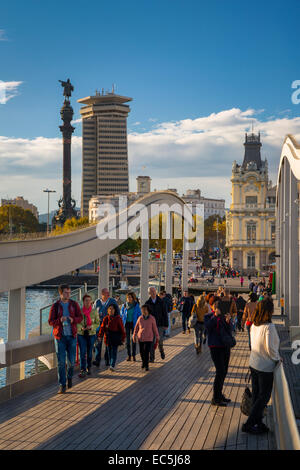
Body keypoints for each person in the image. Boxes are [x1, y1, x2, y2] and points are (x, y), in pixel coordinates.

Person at [242, 299, 280, 434]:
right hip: (265, 367)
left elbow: (253, 345)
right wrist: (277, 359)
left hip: (254, 363)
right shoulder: (269, 327)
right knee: (263, 397)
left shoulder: (254, 325)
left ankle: (258, 423)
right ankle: (249, 424)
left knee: (257, 395)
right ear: (269, 311)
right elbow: (270, 348)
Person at [48, 284, 83, 393]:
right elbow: (50, 321)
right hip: (60, 337)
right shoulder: (55, 306)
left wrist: (74, 320)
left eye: (69, 292)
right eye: (66, 292)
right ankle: (62, 385)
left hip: (72, 336)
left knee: (72, 362)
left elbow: (80, 318)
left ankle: (69, 377)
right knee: (61, 362)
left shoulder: (74, 304)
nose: (68, 294)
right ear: (61, 293)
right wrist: (60, 320)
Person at [204, 297, 232, 406]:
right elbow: (208, 328)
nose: (216, 306)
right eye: (214, 304)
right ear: (211, 306)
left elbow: (230, 330)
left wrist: (228, 321)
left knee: (224, 371)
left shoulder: (224, 316)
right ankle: (215, 398)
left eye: (218, 304)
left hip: (225, 346)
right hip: (215, 346)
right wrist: (215, 316)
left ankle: (219, 394)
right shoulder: (208, 316)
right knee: (220, 371)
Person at [93, 288, 120, 367]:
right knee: (98, 342)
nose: (108, 294)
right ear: (102, 294)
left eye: (108, 293)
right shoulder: (97, 302)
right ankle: (97, 360)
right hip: (99, 324)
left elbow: (117, 312)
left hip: (109, 324)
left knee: (108, 343)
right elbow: (93, 313)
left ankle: (107, 360)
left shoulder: (112, 301)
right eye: (106, 293)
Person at [98, 304, 125, 371]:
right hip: (107, 338)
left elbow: (122, 329)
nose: (111, 310)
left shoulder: (118, 318)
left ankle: (112, 365)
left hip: (115, 337)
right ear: (107, 310)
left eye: (112, 309)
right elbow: (102, 328)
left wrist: (123, 338)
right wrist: (100, 336)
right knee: (109, 351)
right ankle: (111, 364)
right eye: (109, 309)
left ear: (115, 310)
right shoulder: (105, 318)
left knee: (114, 351)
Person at [77, 294, 99, 378]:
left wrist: (91, 327)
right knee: (82, 352)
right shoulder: (79, 311)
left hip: (91, 334)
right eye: (86, 300)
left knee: (89, 353)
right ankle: (82, 369)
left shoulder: (94, 311)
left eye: (89, 300)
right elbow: (77, 322)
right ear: (83, 302)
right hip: (81, 334)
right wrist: (81, 328)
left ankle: (88, 367)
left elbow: (98, 323)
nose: (88, 302)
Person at [133, 304, 159, 371]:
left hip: (149, 338)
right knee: (141, 352)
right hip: (140, 338)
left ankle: (146, 365)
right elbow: (136, 328)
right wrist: (134, 335)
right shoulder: (140, 318)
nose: (143, 311)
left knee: (146, 352)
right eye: (142, 310)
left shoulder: (152, 318)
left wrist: (157, 336)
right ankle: (143, 362)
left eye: (145, 310)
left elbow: (155, 328)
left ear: (148, 310)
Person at [145, 287, 168, 362]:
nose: (153, 292)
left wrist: (166, 324)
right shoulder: (147, 303)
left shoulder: (161, 302)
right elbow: (145, 315)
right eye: (151, 291)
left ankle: (161, 351)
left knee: (160, 340)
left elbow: (165, 314)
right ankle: (152, 358)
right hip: (151, 325)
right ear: (149, 293)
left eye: (154, 291)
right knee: (152, 341)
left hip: (160, 324)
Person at [121, 292, 141, 361]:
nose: (129, 298)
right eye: (128, 297)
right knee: (127, 341)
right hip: (126, 324)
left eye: (130, 297)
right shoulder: (124, 305)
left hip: (134, 324)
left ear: (133, 298)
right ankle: (129, 355)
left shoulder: (136, 305)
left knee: (133, 340)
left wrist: (139, 325)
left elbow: (139, 315)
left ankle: (134, 355)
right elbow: (122, 315)